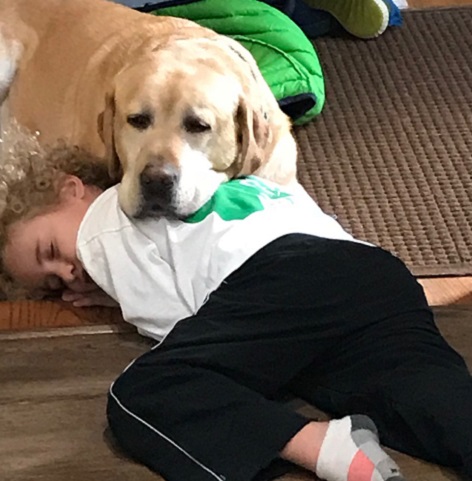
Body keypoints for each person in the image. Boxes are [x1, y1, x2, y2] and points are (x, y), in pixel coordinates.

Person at [0, 144, 471, 481]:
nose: (69, 271)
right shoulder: (206, 178)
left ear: (71, 190)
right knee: (435, 400)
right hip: (371, 274)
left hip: (283, 276)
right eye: (54, 285)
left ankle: (321, 443)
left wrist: (123, 297)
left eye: (51, 249)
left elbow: (187, 325)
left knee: (142, 394)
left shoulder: (106, 218)